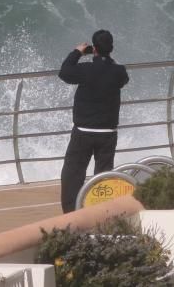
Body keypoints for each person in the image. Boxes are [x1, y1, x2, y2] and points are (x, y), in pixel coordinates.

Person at [59, 29, 129, 213]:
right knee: (103, 177)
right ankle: (101, 214)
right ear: (111, 48)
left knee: (73, 174)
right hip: (107, 133)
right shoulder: (118, 71)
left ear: (94, 49)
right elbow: (122, 78)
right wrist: (106, 60)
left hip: (83, 131)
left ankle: (71, 215)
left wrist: (77, 52)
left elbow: (64, 72)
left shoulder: (86, 70)